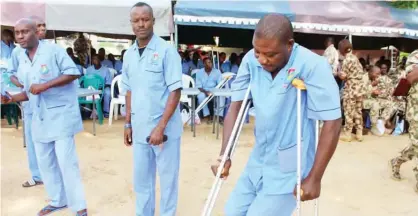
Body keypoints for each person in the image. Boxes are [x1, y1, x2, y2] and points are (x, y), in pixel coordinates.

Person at [211, 14, 341, 215]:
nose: (262, 60)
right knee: (232, 212)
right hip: (259, 159)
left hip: (289, 166)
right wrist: (224, 155)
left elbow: (332, 122)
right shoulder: (251, 61)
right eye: (258, 52)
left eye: (271, 55)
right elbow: (236, 107)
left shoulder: (313, 65)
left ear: (289, 44)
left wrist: (315, 178)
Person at [2, 18, 87, 216]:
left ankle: (79, 206)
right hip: (38, 117)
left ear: (36, 32)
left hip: (60, 116)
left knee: (67, 162)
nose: (21, 36)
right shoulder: (21, 58)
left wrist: (45, 85)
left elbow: (73, 73)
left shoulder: (53, 51)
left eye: (25, 32)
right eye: (17, 33)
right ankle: (58, 200)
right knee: (45, 162)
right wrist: (11, 98)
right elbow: (28, 92)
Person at [121, 2, 183, 215]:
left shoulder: (167, 51)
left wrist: (161, 127)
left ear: (153, 21)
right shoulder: (128, 55)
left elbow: (175, 91)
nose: (141, 24)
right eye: (136, 20)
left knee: (167, 183)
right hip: (139, 129)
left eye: (145, 19)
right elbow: (128, 91)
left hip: (165, 132)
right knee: (142, 182)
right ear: (131, 24)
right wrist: (127, 123)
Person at [8, 16, 48, 188]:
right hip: (29, 101)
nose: (41, 29)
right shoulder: (18, 52)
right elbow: (11, 74)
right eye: (38, 26)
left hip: (48, 102)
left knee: (49, 138)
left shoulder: (50, 50)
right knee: (32, 140)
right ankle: (37, 175)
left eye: (43, 26)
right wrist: (24, 85)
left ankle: (51, 172)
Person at [389, 49, 418, 193]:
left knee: (415, 145)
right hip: (416, 111)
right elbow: (412, 77)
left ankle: (397, 161)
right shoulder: (415, 56)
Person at [338, 39, 366, 142]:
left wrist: (339, 73)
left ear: (341, 49)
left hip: (351, 88)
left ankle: (347, 134)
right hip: (359, 89)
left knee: (349, 111)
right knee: (358, 111)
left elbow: (344, 75)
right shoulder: (355, 58)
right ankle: (359, 133)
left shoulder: (347, 60)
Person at [196, 57, 223, 123]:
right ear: (204, 64)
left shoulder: (217, 72)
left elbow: (220, 85)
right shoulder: (199, 72)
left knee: (221, 96)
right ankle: (207, 115)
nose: (210, 64)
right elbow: (199, 86)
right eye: (208, 62)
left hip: (215, 89)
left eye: (211, 62)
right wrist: (206, 92)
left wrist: (214, 91)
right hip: (203, 90)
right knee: (200, 96)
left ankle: (219, 116)